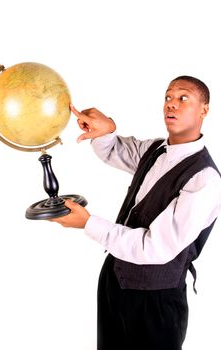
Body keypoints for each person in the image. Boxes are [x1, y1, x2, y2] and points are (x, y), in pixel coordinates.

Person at [50, 76, 221, 350]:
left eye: (183, 98)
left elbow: (154, 248)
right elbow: (116, 150)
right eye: (168, 97)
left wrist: (88, 223)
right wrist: (106, 131)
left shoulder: (204, 179)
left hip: (155, 302)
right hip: (114, 283)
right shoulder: (155, 150)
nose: (171, 105)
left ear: (204, 109)